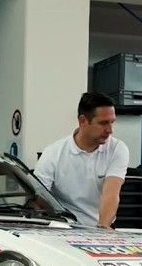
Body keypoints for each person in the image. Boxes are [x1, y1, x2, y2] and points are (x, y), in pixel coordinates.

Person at [33, 92, 130, 228]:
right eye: (103, 123)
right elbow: (38, 198)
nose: (110, 130)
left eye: (112, 122)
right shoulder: (53, 153)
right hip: (62, 228)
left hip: (100, 226)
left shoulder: (117, 149)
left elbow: (111, 193)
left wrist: (102, 229)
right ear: (83, 121)